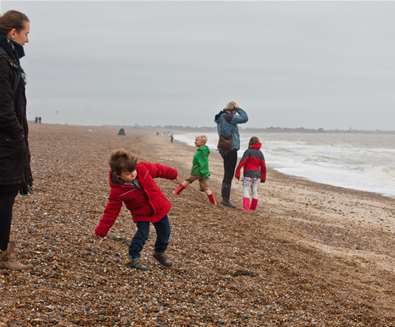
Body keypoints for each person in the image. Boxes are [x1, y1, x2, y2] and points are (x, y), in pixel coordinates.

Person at [94, 150, 178, 270]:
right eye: (128, 173)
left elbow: (158, 169)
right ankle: (134, 257)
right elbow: (111, 211)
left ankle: (159, 252)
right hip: (141, 214)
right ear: (118, 175)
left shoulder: (142, 168)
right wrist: (102, 230)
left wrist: (172, 173)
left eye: (133, 170)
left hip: (158, 207)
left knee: (165, 233)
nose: (133, 174)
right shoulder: (118, 191)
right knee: (142, 235)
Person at [0, 10, 32, 270]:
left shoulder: (9, 58)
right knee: (5, 193)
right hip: (5, 143)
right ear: (13, 32)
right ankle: (1, 252)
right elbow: (3, 107)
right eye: (26, 33)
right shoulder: (3, 59)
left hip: (7, 140)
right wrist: (18, 136)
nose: (27, 40)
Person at [214, 101, 248, 208]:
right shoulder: (228, 117)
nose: (235, 114)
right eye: (234, 111)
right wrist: (238, 108)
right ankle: (225, 199)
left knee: (227, 174)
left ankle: (225, 198)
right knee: (229, 175)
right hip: (230, 148)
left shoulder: (221, 117)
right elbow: (245, 118)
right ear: (232, 109)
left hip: (223, 147)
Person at [173, 135, 217, 206]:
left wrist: (201, 171)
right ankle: (213, 202)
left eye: (197, 140)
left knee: (188, 180)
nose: (195, 142)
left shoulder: (200, 152)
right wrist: (205, 172)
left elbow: (202, 162)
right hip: (203, 172)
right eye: (195, 140)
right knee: (205, 187)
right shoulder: (205, 150)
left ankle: (176, 191)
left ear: (202, 142)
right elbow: (204, 162)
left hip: (198, 171)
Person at [235, 136, 267, 211]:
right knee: (254, 190)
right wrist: (263, 177)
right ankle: (253, 208)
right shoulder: (260, 153)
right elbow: (263, 166)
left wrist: (237, 172)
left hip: (248, 174)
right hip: (257, 175)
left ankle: (246, 208)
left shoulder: (248, 151)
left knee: (246, 189)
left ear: (250, 143)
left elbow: (242, 162)